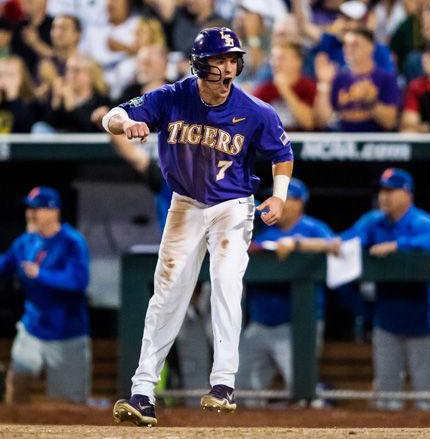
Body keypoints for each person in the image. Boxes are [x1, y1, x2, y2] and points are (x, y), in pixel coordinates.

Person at [102, 26, 294, 427]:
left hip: (232, 204)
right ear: (199, 64)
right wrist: (127, 125)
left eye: (231, 61)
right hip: (185, 203)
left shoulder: (254, 109)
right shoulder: (173, 97)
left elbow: (281, 151)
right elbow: (112, 116)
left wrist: (279, 194)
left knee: (226, 281)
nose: (226, 70)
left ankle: (224, 383)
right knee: (167, 293)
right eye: (218, 61)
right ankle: (142, 393)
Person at [341, 168, 430, 410]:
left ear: (407, 194)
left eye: (391, 190)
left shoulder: (420, 221)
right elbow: (345, 241)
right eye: (382, 190)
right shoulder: (373, 221)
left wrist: (399, 245)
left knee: (426, 398)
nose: (384, 196)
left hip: (421, 322)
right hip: (386, 322)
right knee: (386, 399)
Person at [238, 178, 338, 404]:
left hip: (297, 326)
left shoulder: (313, 228)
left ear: (298, 202)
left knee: (302, 391)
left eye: (282, 199)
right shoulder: (260, 229)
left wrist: (297, 244)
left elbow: (337, 245)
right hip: (260, 324)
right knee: (242, 391)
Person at [0, 186, 91, 404]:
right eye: (29, 208)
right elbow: (5, 267)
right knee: (17, 383)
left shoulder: (71, 241)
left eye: (37, 208)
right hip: (33, 329)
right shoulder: (25, 242)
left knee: (70, 405)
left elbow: (78, 281)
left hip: (67, 334)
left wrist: (41, 274)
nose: (30, 213)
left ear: (53, 211)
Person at [314, 28, 401, 132]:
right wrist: (324, 84)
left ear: (371, 47)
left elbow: (390, 122)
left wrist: (370, 101)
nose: (349, 49)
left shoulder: (386, 78)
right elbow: (322, 121)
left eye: (355, 44)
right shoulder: (339, 78)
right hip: (344, 142)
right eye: (346, 45)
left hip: (375, 142)